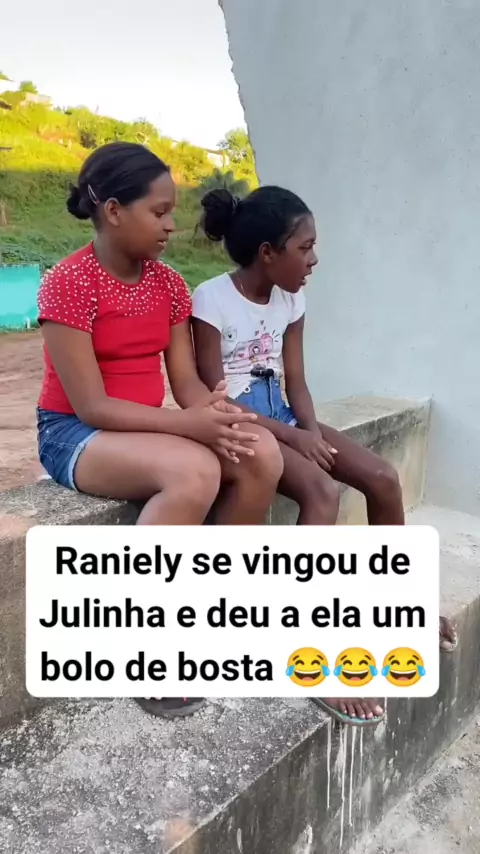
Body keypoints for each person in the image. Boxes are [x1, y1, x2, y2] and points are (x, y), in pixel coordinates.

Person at [191, 185, 458, 728]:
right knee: (321, 492)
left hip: (287, 419)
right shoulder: (212, 300)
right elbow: (217, 400)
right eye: (305, 247)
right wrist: (295, 441)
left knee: (382, 478)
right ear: (268, 253)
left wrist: (310, 432)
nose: (314, 259)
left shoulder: (292, 300)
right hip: (243, 428)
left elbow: (297, 381)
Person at [36, 143, 284, 719]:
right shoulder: (69, 284)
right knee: (193, 472)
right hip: (74, 433)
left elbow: (186, 382)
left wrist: (213, 412)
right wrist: (186, 425)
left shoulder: (168, 285)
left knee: (260, 451)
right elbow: (92, 405)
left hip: (145, 430)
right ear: (114, 211)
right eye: (160, 212)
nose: (172, 224)